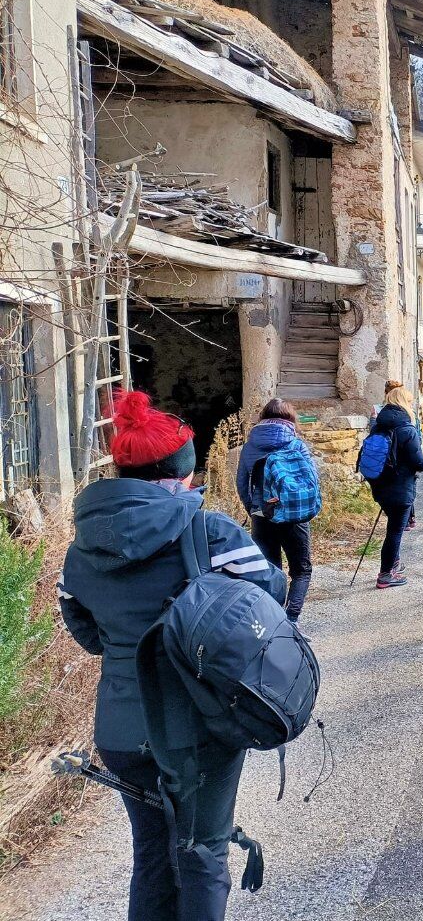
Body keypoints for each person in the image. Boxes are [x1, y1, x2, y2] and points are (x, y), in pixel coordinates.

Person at [58, 390, 287, 921]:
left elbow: (86, 633)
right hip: (197, 727)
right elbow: (270, 592)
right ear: (182, 474)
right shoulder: (208, 533)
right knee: (201, 853)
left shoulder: (81, 551)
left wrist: (129, 645)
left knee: (153, 857)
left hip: (122, 731)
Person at [236, 398, 316, 624]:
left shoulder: (249, 445)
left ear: (263, 417)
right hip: (294, 514)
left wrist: (253, 509)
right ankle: (291, 619)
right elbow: (312, 480)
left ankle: (273, 620)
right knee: (301, 570)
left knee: (270, 571)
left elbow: (242, 482)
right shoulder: (296, 443)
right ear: (290, 419)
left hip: (262, 514)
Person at [366, 384, 423, 589]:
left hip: (379, 486)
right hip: (400, 488)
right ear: (405, 403)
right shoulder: (407, 429)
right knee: (395, 531)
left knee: (394, 527)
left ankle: (393, 563)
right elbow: (419, 463)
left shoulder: (378, 426)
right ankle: (386, 574)